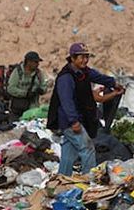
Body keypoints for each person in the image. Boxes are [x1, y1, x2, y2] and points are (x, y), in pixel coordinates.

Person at [47, 43, 123, 175]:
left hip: (78, 118)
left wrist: (113, 83)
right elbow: (66, 101)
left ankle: (62, 179)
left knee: (68, 152)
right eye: (81, 57)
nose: (85, 60)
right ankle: (89, 181)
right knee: (87, 148)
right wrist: (74, 121)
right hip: (70, 121)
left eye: (86, 57)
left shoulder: (84, 72)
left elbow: (99, 77)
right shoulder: (66, 77)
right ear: (72, 58)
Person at [7, 51, 47, 117]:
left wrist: (41, 90)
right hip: (18, 108)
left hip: (32, 109)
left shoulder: (39, 73)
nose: (38, 64)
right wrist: (25, 93)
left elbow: (44, 86)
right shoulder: (18, 72)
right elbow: (11, 88)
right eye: (36, 62)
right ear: (29, 62)